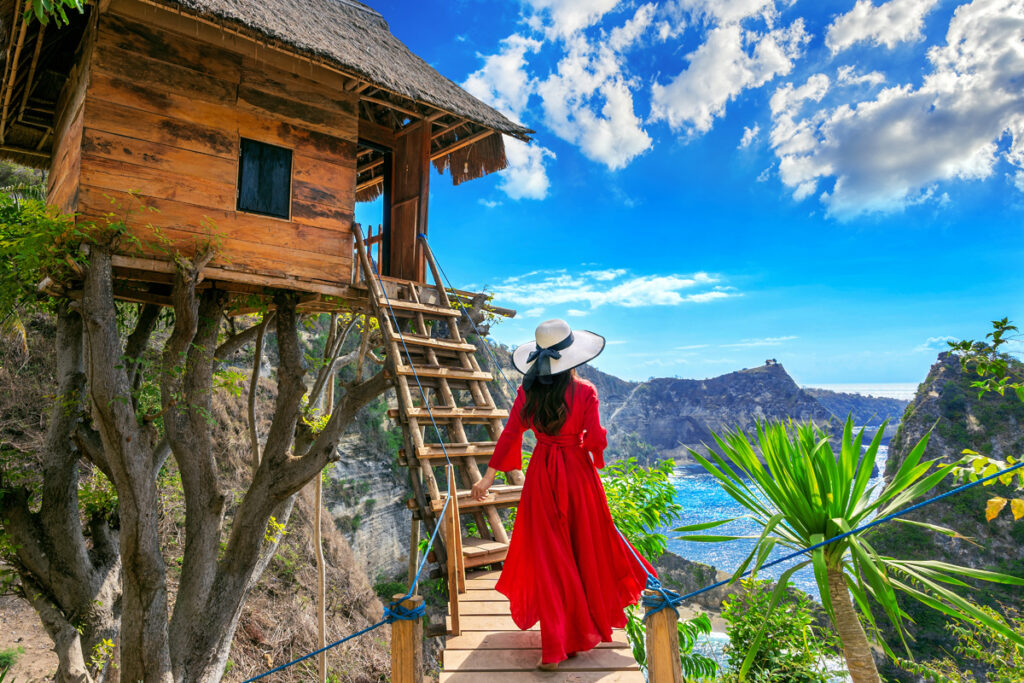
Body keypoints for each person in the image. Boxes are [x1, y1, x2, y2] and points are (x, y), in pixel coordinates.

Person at [470, 319, 655, 670]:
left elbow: (511, 434)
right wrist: (591, 448)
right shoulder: (585, 392)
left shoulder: (528, 391)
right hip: (578, 477)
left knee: (550, 557)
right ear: (571, 358)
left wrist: (487, 479)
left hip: (541, 475)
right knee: (585, 548)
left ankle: (554, 646)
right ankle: (577, 633)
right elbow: (596, 441)